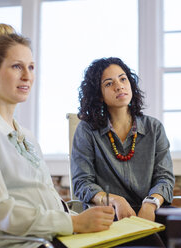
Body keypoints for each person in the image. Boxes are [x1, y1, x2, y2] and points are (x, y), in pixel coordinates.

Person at [0, 24, 114, 248]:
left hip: (52, 239)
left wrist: (86, 218)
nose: (27, 76)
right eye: (17, 67)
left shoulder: (26, 135)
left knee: (145, 240)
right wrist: (74, 223)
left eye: (31, 67)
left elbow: (43, 196)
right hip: (20, 245)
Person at [71, 57, 175, 245]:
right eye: (109, 83)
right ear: (99, 95)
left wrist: (150, 204)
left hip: (151, 210)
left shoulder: (154, 128)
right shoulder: (86, 130)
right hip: (109, 216)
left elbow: (164, 178)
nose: (119, 86)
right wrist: (116, 201)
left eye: (123, 79)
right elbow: (82, 183)